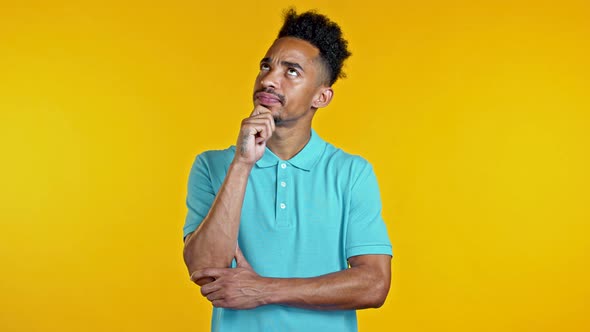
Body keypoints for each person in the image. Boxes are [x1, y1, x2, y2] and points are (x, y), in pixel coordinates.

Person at [183, 8, 392, 332]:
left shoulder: (351, 173)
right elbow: (205, 270)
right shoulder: (212, 166)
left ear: (321, 97)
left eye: (291, 71)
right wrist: (242, 163)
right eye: (266, 66)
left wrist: (263, 289)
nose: (268, 79)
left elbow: (374, 284)